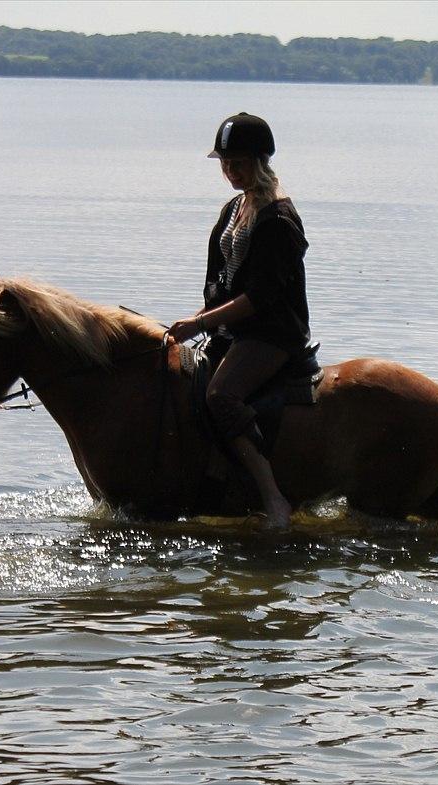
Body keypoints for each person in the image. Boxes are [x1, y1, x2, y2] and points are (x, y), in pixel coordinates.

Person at [168, 112, 311, 529]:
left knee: (221, 394)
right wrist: (198, 318)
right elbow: (221, 283)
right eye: (226, 164)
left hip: (271, 333)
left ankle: (273, 498)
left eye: (239, 164)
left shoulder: (278, 219)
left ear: (260, 162)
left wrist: (200, 325)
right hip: (233, 330)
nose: (230, 171)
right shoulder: (234, 208)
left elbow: (259, 298)